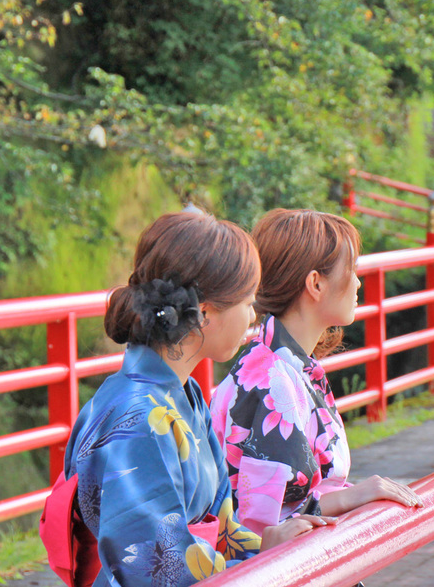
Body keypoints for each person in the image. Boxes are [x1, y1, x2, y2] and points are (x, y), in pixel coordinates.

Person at [55, 211, 332, 587]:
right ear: (204, 313)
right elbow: (157, 571)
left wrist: (273, 545)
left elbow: (223, 529)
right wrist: (263, 560)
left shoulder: (184, 394)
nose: (253, 317)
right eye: (247, 302)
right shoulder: (137, 421)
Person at [210, 209, 422, 536]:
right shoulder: (271, 379)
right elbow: (264, 522)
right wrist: (356, 494)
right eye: (351, 269)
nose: (358, 281)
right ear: (316, 283)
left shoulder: (283, 364)